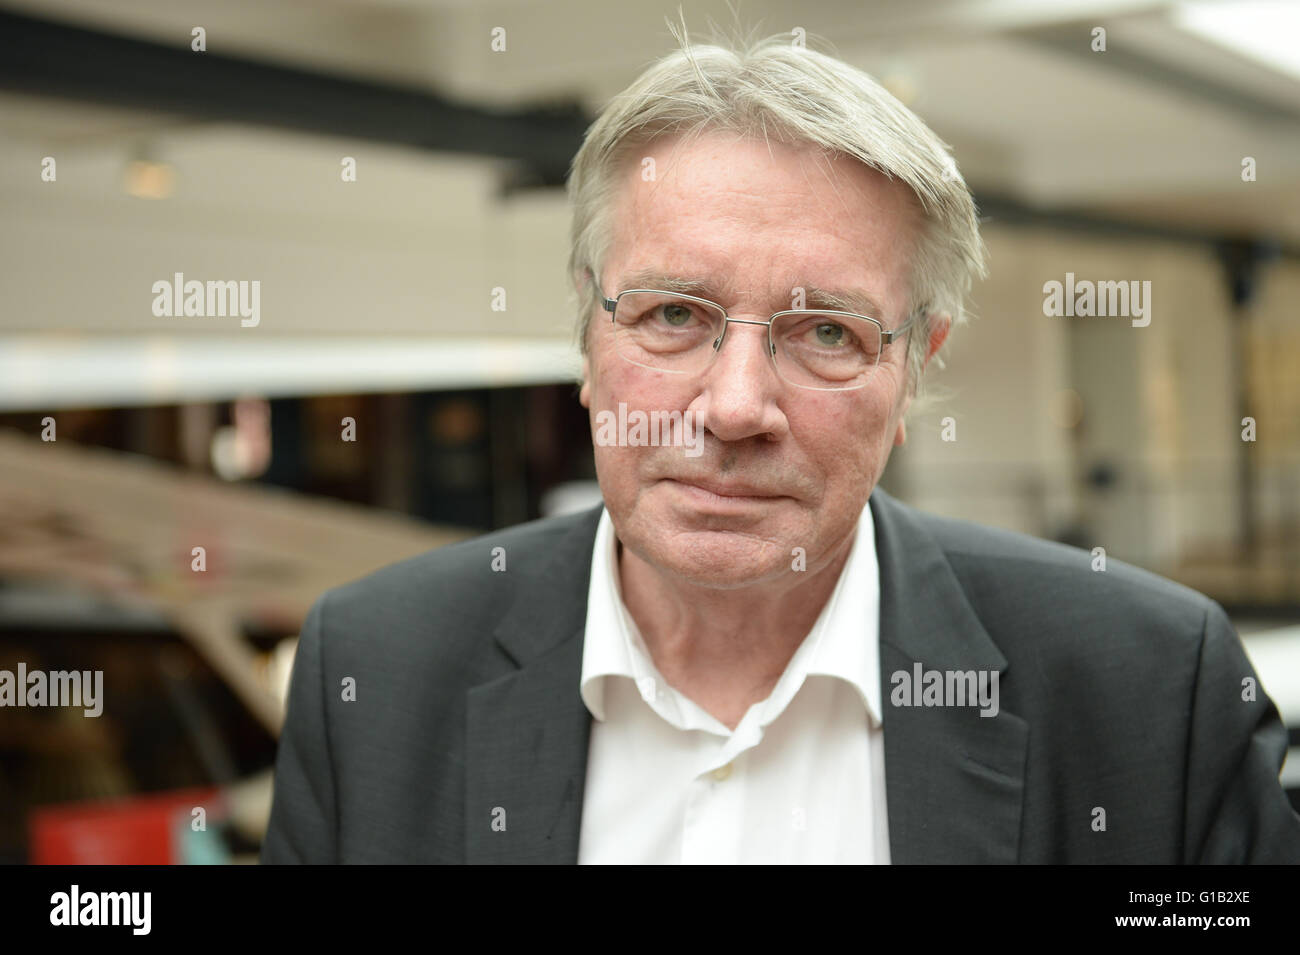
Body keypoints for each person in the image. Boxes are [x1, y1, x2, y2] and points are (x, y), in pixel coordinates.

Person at [261, 33, 1300, 864]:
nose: (735, 405)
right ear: (587, 334)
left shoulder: (1147, 691)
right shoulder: (378, 672)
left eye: (825, 333)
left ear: (914, 371)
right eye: (673, 314)